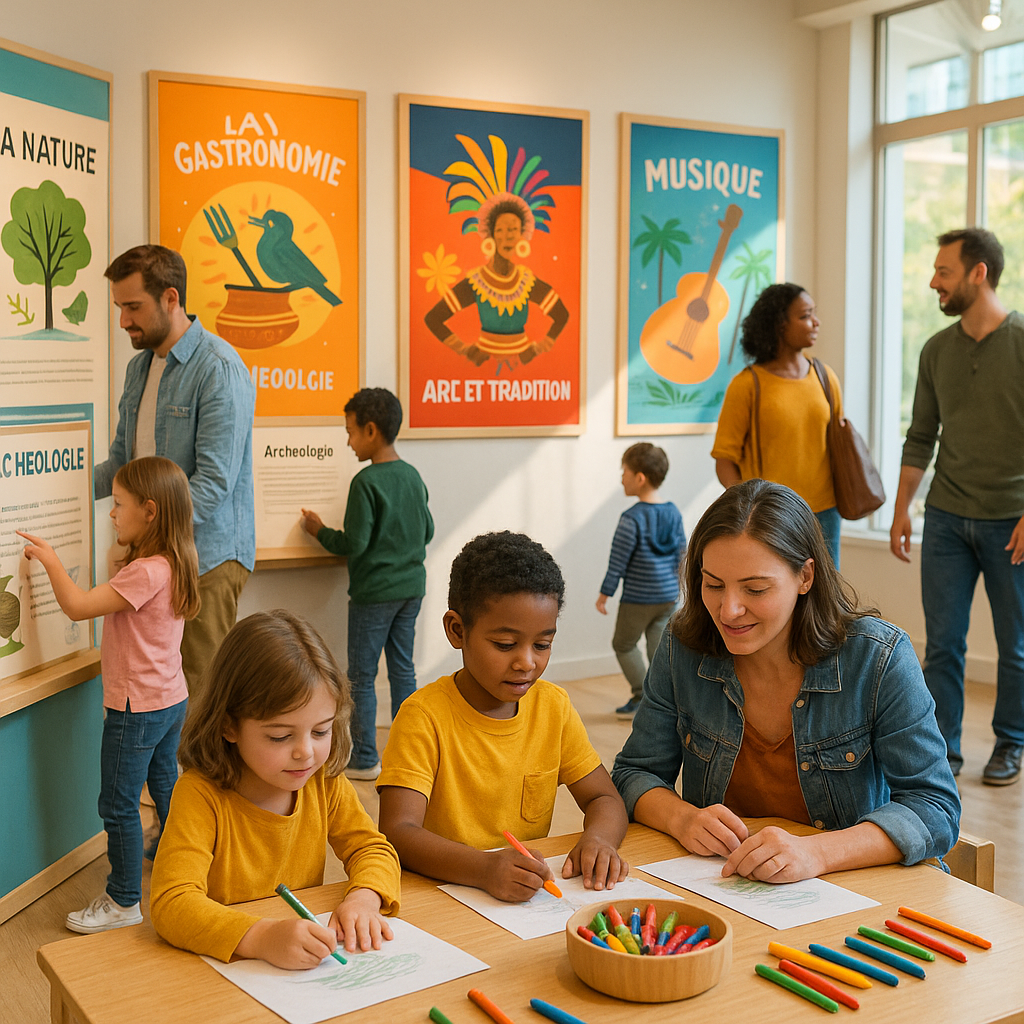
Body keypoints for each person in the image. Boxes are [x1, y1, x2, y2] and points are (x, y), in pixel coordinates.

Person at [612, 480, 960, 884]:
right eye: (713, 584)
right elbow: (635, 773)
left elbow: (935, 807)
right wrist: (682, 818)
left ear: (805, 577)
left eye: (755, 589)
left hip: (852, 890)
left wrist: (818, 853)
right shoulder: (683, 645)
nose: (729, 610)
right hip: (728, 887)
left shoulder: (878, 658)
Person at [377, 531, 630, 902]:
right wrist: (484, 868)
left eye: (542, 644)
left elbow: (604, 799)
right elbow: (398, 831)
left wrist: (598, 840)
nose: (527, 662)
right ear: (457, 630)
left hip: (524, 899)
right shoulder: (423, 717)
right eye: (506, 645)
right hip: (443, 896)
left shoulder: (553, 708)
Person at [149, 610, 401, 968]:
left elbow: (373, 849)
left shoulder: (324, 781)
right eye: (280, 736)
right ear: (228, 726)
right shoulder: (199, 795)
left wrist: (364, 898)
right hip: (223, 970)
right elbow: (172, 903)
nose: (305, 752)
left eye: (321, 731)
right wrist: (262, 937)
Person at [19, 457, 200, 933]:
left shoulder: (145, 573)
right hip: (169, 699)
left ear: (151, 511)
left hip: (134, 708)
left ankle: (123, 900)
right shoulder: (175, 559)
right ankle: (179, 859)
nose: (112, 514)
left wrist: (52, 560)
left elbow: (79, 607)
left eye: (119, 506)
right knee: (164, 786)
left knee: (117, 804)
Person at [891, 227, 1024, 786]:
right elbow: (921, 436)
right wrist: (902, 508)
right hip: (945, 516)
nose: (933, 281)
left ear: (978, 273)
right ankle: (942, 752)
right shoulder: (935, 349)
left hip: (1012, 520)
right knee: (942, 643)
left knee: (1015, 644)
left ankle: (1011, 743)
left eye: (943, 271)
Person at [94, 245, 256, 702]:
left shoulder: (219, 368)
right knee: (159, 697)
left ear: (170, 298)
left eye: (133, 307)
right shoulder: (138, 367)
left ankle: (202, 779)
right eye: (119, 308)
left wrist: (149, 543)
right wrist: (54, 489)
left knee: (202, 698)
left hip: (206, 560)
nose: (123, 321)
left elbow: (213, 485)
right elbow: (120, 466)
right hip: (153, 561)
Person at [301, 388, 433, 779]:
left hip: (374, 593)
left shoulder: (366, 482)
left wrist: (319, 530)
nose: (347, 440)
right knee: (402, 670)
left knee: (360, 676)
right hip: (412, 589)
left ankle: (363, 760)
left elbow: (354, 543)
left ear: (371, 430)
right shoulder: (412, 475)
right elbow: (427, 530)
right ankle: (413, 753)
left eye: (350, 432)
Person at [711, 283, 844, 568]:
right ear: (779, 324)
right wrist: (750, 511)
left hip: (824, 514)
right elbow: (725, 462)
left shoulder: (825, 377)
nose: (816, 322)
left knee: (825, 603)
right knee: (773, 598)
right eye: (806, 315)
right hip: (770, 517)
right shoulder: (747, 385)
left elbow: (838, 444)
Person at [424, 192, 569, 373]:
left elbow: (561, 315)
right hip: (481, 369)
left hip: (524, 371)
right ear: (491, 236)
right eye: (500, 230)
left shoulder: (526, 282)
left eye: (513, 230)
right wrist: (466, 350)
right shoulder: (477, 283)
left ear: (521, 237)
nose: (507, 236)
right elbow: (433, 318)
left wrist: (536, 349)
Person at [596, 442, 685, 718]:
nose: (621, 477)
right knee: (658, 650)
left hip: (638, 598)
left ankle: (641, 697)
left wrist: (604, 594)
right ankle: (663, 702)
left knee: (623, 644)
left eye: (624, 471)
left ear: (640, 478)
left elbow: (618, 562)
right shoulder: (673, 512)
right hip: (668, 596)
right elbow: (682, 554)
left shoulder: (631, 518)